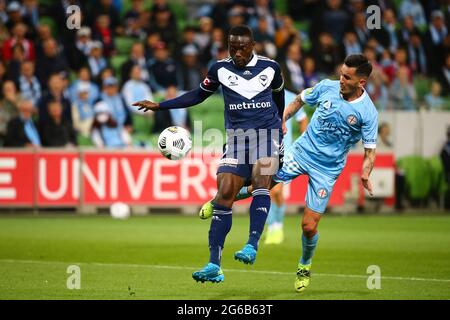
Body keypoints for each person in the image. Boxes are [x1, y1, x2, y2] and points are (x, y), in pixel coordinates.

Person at [200, 54, 378, 292]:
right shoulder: (327, 87)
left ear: (361, 82)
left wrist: (366, 173)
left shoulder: (368, 113)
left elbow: (370, 152)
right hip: (300, 153)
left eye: (347, 77)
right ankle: (218, 201)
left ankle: (304, 263)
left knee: (308, 226)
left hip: (327, 169)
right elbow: (299, 101)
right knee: (258, 185)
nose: (341, 80)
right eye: (341, 74)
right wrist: (281, 120)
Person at [133, 25, 285, 283]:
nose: (236, 52)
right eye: (232, 47)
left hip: (266, 135)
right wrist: (160, 105)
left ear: (252, 46)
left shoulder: (271, 68)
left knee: (261, 179)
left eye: (242, 48)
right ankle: (214, 265)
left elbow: (278, 96)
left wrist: (279, 125)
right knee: (224, 191)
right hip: (237, 140)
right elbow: (197, 95)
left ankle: (251, 244)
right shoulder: (219, 69)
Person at [264, 90, 308, 245]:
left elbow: (302, 119)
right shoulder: (261, 94)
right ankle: (272, 228)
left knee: (276, 191)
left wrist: (304, 141)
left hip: (283, 150)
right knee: (266, 191)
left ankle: (278, 226)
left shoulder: (290, 97)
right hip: (264, 149)